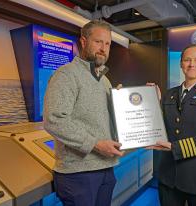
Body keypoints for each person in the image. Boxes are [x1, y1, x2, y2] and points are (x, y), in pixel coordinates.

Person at [43, 20, 124, 206]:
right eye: (98, 42)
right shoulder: (66, 75)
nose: (103, 48)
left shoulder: (104, 80)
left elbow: (101, 120)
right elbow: (54, 119)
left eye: (108, 44)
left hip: (106, 167)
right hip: (79, 174)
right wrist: (94, 144)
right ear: (83, 41)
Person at [149, 44, 196, 206]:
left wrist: (174, 147)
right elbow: (161, 127)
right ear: (181, 63)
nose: (192, 64)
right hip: (169, 177)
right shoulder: (169, 95)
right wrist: (152, 103)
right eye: (187, 60)